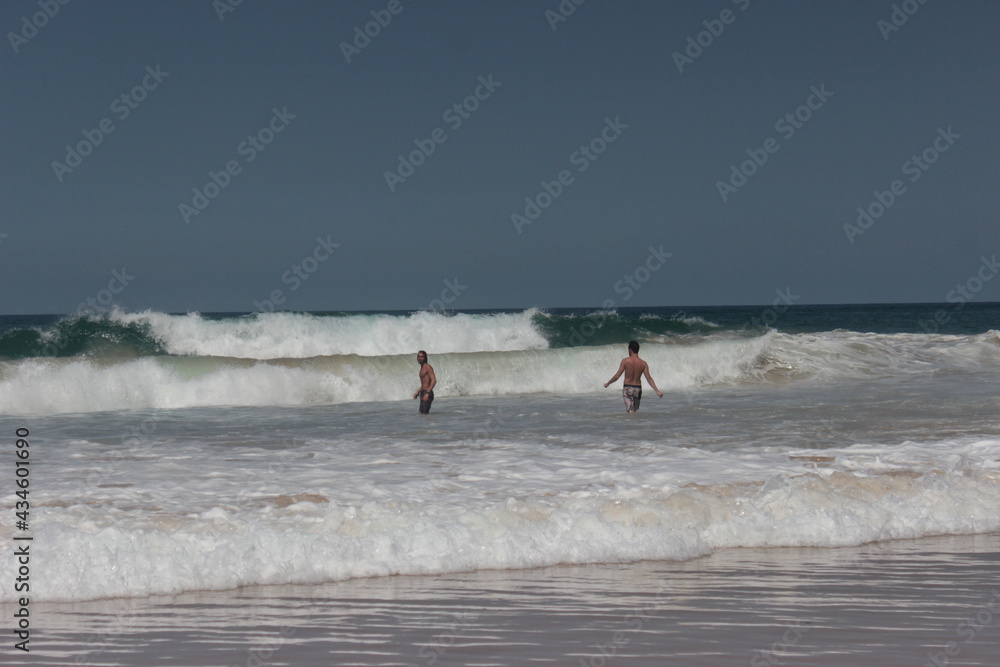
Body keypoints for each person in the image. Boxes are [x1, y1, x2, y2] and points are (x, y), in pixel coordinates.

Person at [604, 340, 663, 413]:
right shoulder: (643, 364)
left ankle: (631, 424)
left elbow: (617, 376)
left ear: (630, 349)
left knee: (630, 411)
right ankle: (634, 424)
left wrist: (608, 383)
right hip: (638, 389)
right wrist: (657, 391)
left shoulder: (625, 361)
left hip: (628, 388)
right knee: (633, 411)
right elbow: (649, 378)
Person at [413, 350, 437, 414]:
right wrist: (417, 392)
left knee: (424, 414)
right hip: (423, 393)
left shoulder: (428, 367)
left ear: (425, 358)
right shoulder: (422, 368)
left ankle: (432, 423)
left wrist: (427, 393)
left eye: (422, 357)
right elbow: (424, 384)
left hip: (427, 393)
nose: (420, 358)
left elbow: (434, 380)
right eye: (418, 356)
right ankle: (428, 424)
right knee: (421, 414)